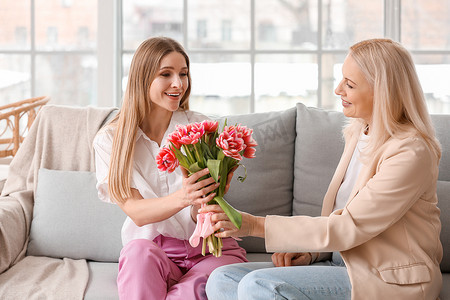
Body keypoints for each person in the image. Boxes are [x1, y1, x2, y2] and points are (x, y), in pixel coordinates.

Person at [204, 38, 443, 299]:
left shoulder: (410, 152)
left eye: (350, 84)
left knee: (260, 284)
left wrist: (252, 225)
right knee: (223, 278)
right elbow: (342, 221)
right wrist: (312, 253)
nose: (338, 89)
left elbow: (349, 226)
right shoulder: (360, 132)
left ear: (382, 91)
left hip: (386, 277)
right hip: (342, 264)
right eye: (342, 79)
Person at [93, 37, 247, 300]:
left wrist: (208, 198)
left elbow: (206, 210)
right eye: (166, 74)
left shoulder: (203, 129)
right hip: (153, 250)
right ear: (143, 79)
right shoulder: (110, 140)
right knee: (137, 254)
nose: (179, 84)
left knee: (203, 285)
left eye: (183, 74)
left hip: (210, 251)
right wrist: (186, 196)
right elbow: (137, 212)